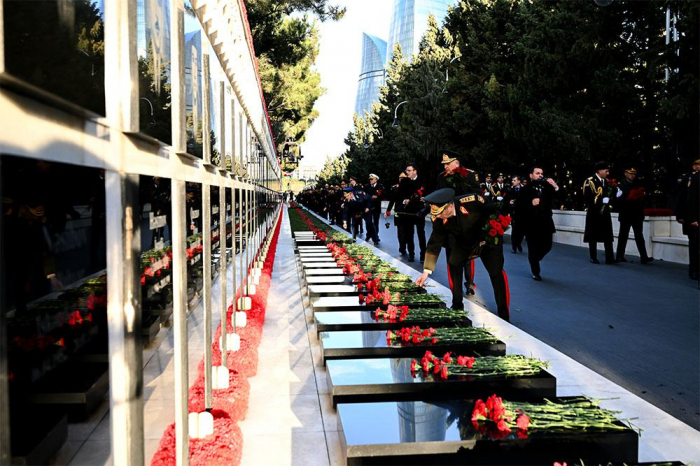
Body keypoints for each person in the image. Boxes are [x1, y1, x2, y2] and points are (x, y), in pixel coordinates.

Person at [415, 188, 510, 321]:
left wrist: (492, 231)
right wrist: (426, 272)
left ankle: (504, 313)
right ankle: (457, 306)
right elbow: (434, 243)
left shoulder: (472, 201)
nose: (439, 216)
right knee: (454, 263)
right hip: (465, 242)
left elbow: (494, 210)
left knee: (496, 272)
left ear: (449, 205)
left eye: (441, 213)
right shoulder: (439, 218)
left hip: (487, 240)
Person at [435, 149, 480, 295]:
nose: (445, 167)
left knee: (468, 256)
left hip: (467, 222)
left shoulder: (470, 175)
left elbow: (477, 197)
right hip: (449, 222)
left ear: (456, 163)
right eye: (444, 164)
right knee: (451, 255)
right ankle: (455, 286)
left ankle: (470, 283)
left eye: (448, 163)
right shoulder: (441, 177)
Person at [519, 167, 559, 280]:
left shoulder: (548, 188)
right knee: (532, 247)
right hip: (531, 223)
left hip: (546, 222)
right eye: (537, 173)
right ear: (531, 175)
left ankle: (536, 258)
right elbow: (520, 207)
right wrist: (530, 203)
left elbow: (559, 197)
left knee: (548, 245)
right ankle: (535, 272)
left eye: (541, 173)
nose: (540, 175)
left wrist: (555, 186)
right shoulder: (525, 189)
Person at [583, 161, 621, 264]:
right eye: (606, 171)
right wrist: (600, 201)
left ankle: (610, 258)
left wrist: (616, 195)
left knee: (608, 235)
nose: (607, 173)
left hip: (605, 212)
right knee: (593, 235)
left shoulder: (607, 182)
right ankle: (593, 257)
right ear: (599, 171)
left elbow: (610, 197)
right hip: (594, 212)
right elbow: (587, 198)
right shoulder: (590, 181)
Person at [616, 168, 653, 264]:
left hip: (637, 213)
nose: (633, 175)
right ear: (625, 173)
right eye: (630, 173)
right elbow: (619, 199)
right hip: (626, 213)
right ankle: (619, 255)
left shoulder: (638, 183)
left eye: (634, 174)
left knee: (639, 236)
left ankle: (644, 257)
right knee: (623, 235)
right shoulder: (621, 185)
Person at [675, 158, 700, 281]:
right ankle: (694, 270)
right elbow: (685, 199)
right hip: (693, 219)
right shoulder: (690, 179)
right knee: (695, 245)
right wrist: (685, 217)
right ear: (694, 166)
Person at [397, 163, 427, 262]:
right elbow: (400, 194)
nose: (407, 172)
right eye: (406, 171)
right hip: (407, 212)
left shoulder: (423, 181)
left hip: (419, 211)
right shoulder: (404, 181)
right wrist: (404, 200)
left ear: (415, 171)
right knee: (409, 234)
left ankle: (423, 255)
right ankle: (411, 254)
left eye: (409, 170)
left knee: (421, 234)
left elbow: (423, 194)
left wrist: (414, 199)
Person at [385, 172, 408, 255]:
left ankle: (406, 246)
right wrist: (388, 211)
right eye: (400, 178)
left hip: (407, 212)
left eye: (403, 178)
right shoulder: (395, 188)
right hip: (398, 211)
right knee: (400, 231)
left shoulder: (410, 188)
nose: (401, 180)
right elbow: (392, 201)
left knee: (407, 231)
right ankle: (402, 247)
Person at [506, 175, 524, 253]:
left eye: (514, 180)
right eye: (512, 180)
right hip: (514, 212)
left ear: (519, 181)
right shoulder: (510, 190)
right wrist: (508, 202)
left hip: (522, 213)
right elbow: (506, 199)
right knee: (514, 230)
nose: (512, 182)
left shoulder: (524, 190)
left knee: (522, 231)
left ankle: (518, 243)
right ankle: (514, 246)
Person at [364, 174, 385, 242]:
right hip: (368, 207)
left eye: (372, 179)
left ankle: (376, 236)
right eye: (370, 179)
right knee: (368, 222)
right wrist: (370, 197)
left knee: (376, 222)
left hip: (376, 206)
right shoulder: (367, 187)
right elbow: (364, 195)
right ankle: (368, 235)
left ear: (376, 180)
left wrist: (377, 197)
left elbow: (383, 196)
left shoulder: (380, 187)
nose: (370, 180)